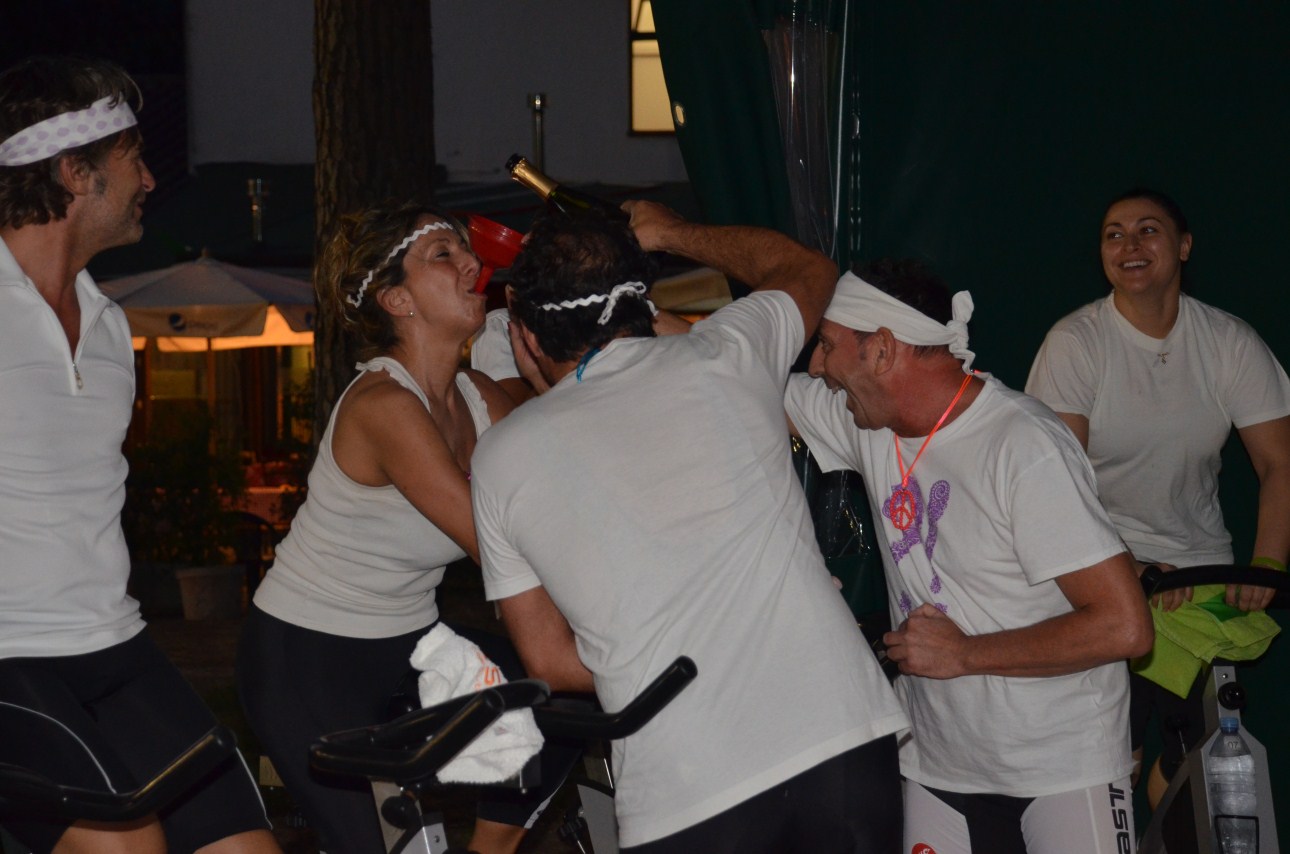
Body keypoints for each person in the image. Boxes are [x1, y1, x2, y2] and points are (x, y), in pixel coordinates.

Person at [470, 204, 909, 854]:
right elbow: (808, 268)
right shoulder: (727, 351)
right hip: (839, 737)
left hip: (685, 780)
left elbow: (549, 661)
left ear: (527, 336)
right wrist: (673, 232)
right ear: (642, 304)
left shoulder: (500, 457)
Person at [0, 56, 278, 854]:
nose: (151, 180)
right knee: (132, 845)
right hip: (9, 655)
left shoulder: (112, 325)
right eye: (134, 159)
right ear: (73, 171)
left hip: (116, 645)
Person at [782, 259, 1154, 854]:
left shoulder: (1022, 445)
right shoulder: (867, 424)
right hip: (937, 768)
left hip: (1062, 769)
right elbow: (730, 370)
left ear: (882, 349)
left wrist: (964, 653)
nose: (816, 367)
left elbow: (1124, 626)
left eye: (827, 345)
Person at [236, 201, 573, 854]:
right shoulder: (384, 406)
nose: (472, 263)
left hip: (412, 645)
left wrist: (553, 376)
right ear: (397, 300)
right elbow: (497, 541)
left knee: (565, 694)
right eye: (444, 254)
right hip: (306, 658)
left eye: (466, 250)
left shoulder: (478, 395)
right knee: (382, 846)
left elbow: (562, 492)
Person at [1026, 187, 1290, 800]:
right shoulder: (1076, 342)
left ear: (1184, 246)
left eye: (1148, 230)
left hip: (1198, 577)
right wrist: (1130, 567)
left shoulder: (1229, 341)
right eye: (1113, 234)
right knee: (1112, 760)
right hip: (1100, 573)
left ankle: (1170, 821)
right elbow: (1057, 485)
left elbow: (1279, 463)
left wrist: (1268, 566)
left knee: (1202, 759)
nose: (1130, 245)